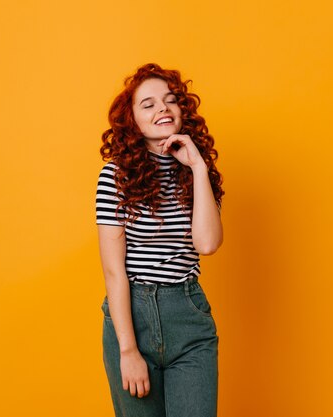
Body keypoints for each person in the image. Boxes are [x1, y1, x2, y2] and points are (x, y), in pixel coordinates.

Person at [95, 62, 224, 417]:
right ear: (132, 119)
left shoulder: (199, 170)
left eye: (170, 101)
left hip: (187, 313)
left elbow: (208, 244)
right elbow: (113, 271)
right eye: (148, 104)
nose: (162, 109)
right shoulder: (116, 175)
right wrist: (128, 351)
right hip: (132, 315)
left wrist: (197, 167)